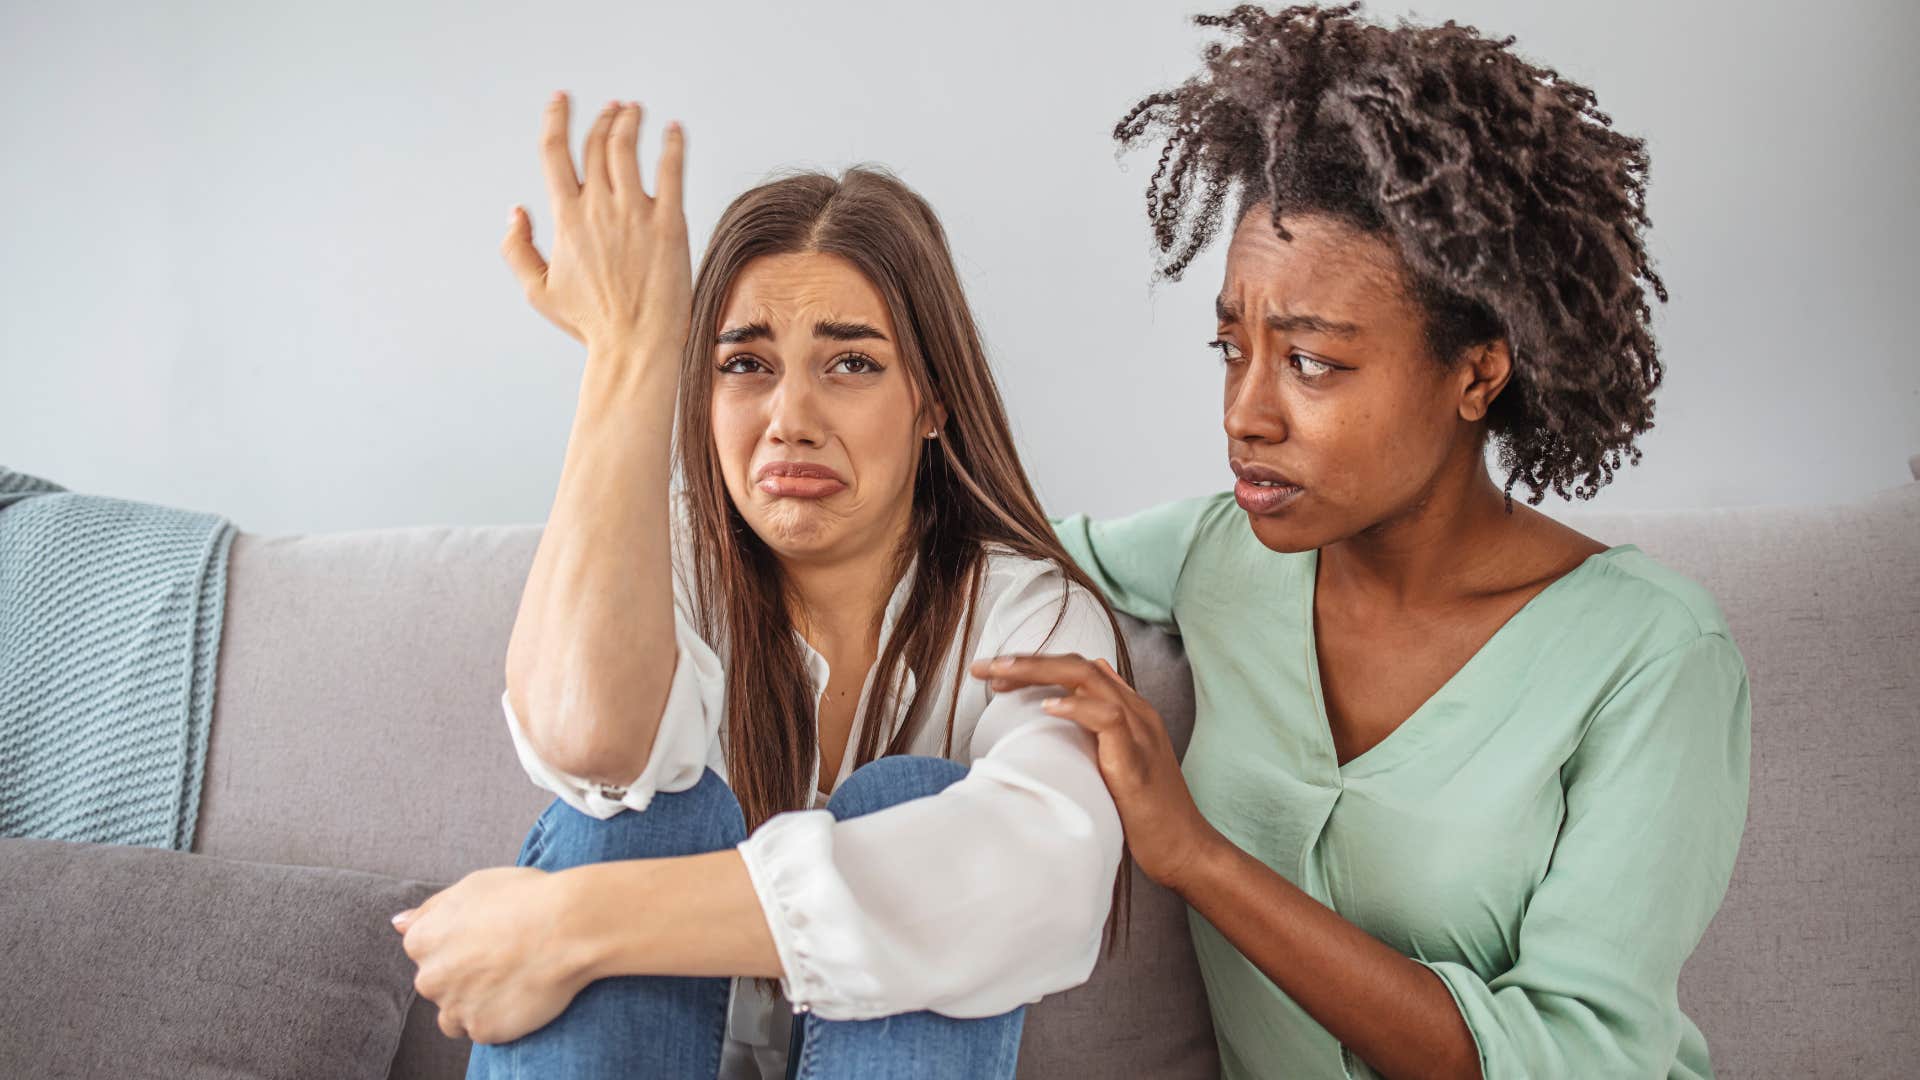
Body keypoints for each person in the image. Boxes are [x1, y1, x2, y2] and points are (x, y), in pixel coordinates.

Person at [975, 6, 1752, 1078]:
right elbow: (975, 541)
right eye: (1230, 349)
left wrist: (1197, 856)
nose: (1245, 413)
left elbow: (1580, 1055)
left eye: (1314, 364)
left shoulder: (1654, 656)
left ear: (1477, 373)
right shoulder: (1220, 555)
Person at [392, 93, 1129, 1080]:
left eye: (851, 363)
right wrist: (628, 354)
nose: (791, 418)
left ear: (933, 403)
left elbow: (1040, 876)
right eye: (745, 363)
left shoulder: (1026, 614)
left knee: (912, 797)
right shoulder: (663, 571)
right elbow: (592, 746)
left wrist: (572, 923)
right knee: (648, 809)